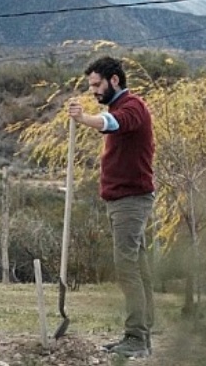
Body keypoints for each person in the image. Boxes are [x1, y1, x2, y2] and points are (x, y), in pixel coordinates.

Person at [67, 56, 155, 359]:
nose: (93, 91)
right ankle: (141, 335)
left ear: (114, 80)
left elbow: (111, 124)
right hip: (123, 201)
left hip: (131, 201)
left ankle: (136, 338)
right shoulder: (121, 106)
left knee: (127, 268)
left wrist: (84, 118)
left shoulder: (132, 107)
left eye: (96, 85)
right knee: (137, 268)